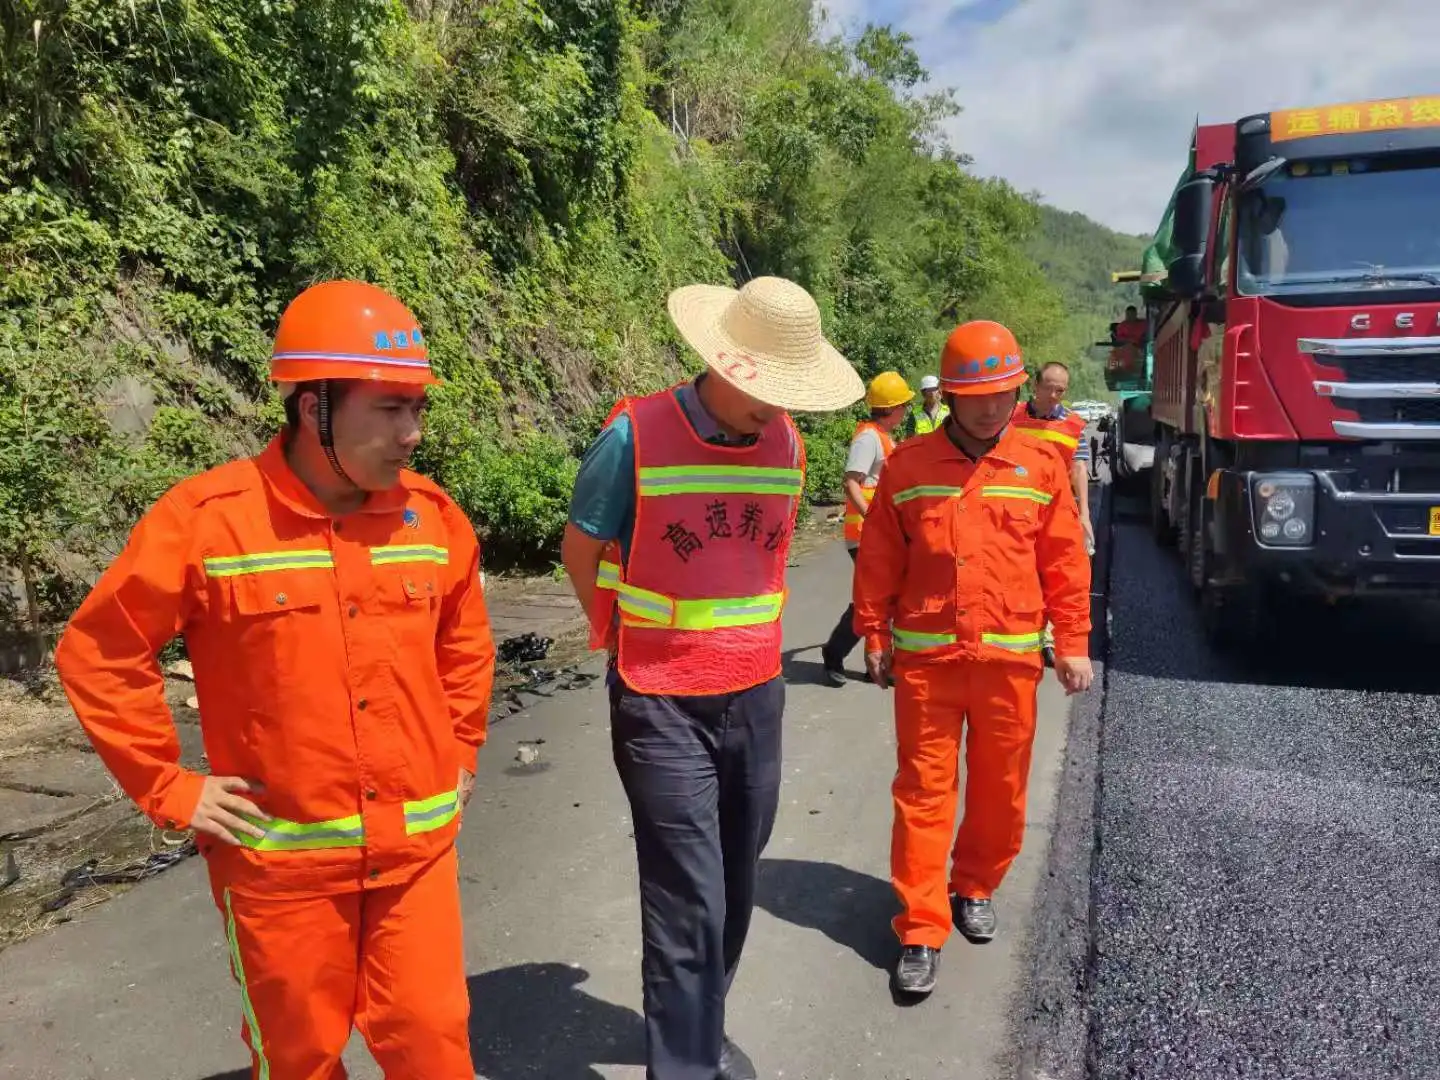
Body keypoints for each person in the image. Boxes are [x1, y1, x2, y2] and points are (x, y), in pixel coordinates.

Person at [53, 280, 497, 1080]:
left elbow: (464, 646)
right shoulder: (208, 521)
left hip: (414, 856)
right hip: (280, 868)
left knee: (434, 1042)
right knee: (299, 1058)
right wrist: (170, 788)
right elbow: (99, 651)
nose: (413, 433)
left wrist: (462, 750)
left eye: (417, 408)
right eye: (390, 409)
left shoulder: (431, 521)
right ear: (312, 406)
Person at [559, 276, 863, 1080]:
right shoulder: (635, 436)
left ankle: (698, 1022)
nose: (776, 405)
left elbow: (761, 562)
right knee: (686, 893)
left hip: (757, 692)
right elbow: (581, 549)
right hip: (660, 699)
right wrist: (614, 636)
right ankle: (688, 1063)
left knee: (734, 877)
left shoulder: (789, 444)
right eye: (765, 385)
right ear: (719, 360)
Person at [852, 319, 1093, 998]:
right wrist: (874, 633)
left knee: (1001, 793)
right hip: (928, 668)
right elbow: (879, 560)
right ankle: (921, 928)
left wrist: (1072, 643)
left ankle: (976, 884)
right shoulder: (906, 468)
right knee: (924, 797)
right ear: (950, 396)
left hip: (1009, 666)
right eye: (979, 395)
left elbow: (1064, 563)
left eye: (1005, 393)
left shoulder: (1040, 465)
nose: (994, 407)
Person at [821, 370, 913, 687]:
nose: (906, 411)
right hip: (864, 533)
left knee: (879, 598)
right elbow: (851, 482)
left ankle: (877, 662)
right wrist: (873, 520)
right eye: (904, 405)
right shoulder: (869, 438)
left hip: (878, 534)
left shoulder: (884, 437)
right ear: (894, 407)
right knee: (870, 600)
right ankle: (834, 655)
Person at [1010, 363, 1095, 660]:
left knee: (1051, 573)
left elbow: (1079, 468)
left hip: (1056, 510)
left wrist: (1084, 514)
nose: (1055, 394)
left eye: (1061, 390)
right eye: (1050, 387)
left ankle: (1046, 637)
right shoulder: (1012, 416)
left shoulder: (1073, 426)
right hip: (1014, 506)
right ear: (1036, 386)